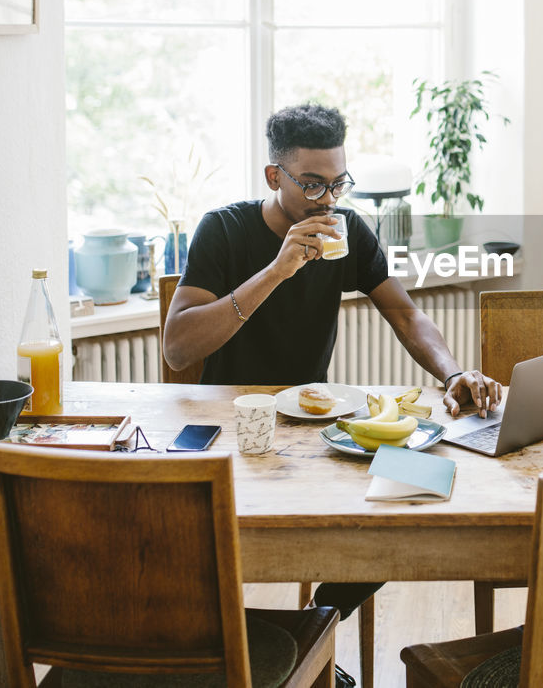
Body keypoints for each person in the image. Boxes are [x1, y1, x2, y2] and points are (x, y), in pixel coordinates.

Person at [162, 102, 502, 638]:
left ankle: (313, 626)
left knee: (418, 494)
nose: (329, 199)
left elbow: (406, 314)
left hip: (319, 430)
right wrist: (277, 270)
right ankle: (260, 644)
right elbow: (178, 349)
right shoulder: (224, 230)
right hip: (235, 430)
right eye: (313, 186)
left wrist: (453, 373)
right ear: (275, 176)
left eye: (338, 184)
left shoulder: (350, 231)